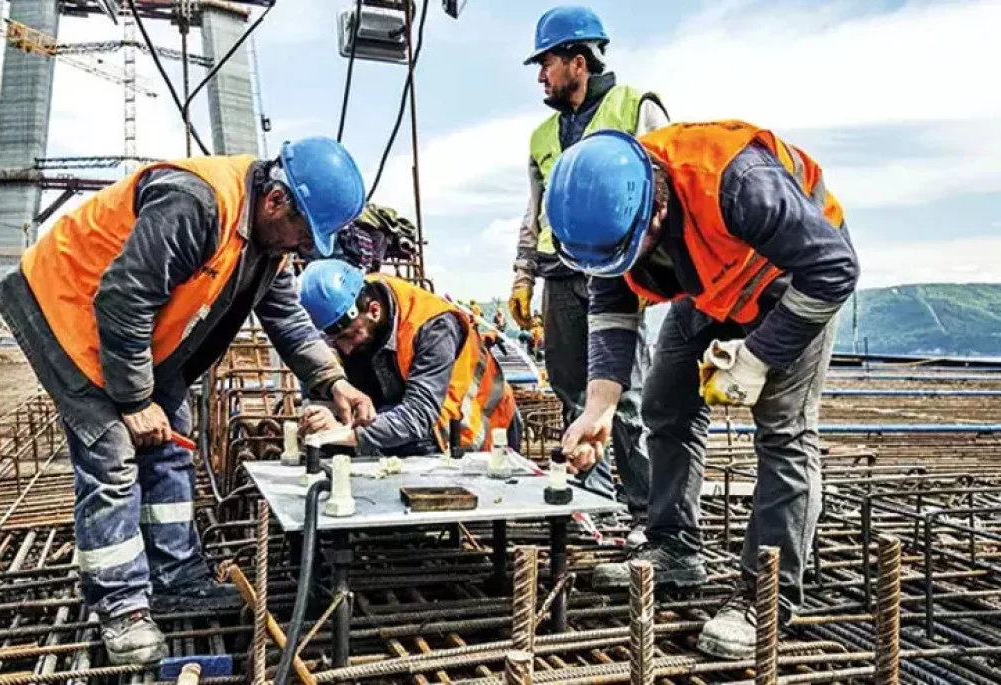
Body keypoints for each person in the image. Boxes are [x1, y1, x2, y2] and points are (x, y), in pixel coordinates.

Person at [0, 137, 376, 665]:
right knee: (112, 451)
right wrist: (131, 400)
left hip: (138, 336)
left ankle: (174, 575)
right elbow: (123, 296)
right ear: (275, 201)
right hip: (67, 312)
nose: (304, 248)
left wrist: (333, 380)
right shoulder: (196, 202)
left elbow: (285, 318)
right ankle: (122, 608)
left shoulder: (269, 244)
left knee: (173, 435)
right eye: (304, 235)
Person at [546, 121, 859, 659]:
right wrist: (601, 404)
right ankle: (674, 548)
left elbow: (834, 269)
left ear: (656, 210)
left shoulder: (739, 183)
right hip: (715, 285)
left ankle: (766, 598)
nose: (621, 268)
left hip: (795, 282)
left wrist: (757, 359)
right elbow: (612, 304)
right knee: (666, 400)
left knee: (784, 434)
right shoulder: (604, 219)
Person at [509, 6, 667, 546]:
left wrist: (650, 272)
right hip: (561, 272)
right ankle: (594, 504)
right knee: (573, 391)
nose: (540, 77)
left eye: (546, 64)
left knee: (627, 396)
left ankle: (647, 510)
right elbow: (535, 213)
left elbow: (660, 192)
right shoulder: (541, 136)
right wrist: (522, 275)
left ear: (578, 62)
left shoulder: (634, 107)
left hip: (621, 269)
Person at [296, 259, 520, 455]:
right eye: (336, 341)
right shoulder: (336, 316)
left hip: (476, 433)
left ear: (374, 311)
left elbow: (419, 416)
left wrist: (343, 434)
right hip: (407, 419)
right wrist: (321, 414)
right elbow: (319, 387)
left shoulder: (433, 326)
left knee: (407, 443)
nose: (345, 349)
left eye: (350, 336)